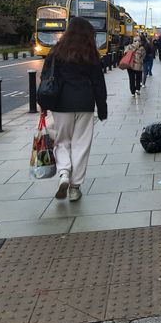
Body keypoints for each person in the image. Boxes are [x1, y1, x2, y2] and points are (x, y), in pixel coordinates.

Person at [42, 17, 107, 201]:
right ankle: (75, 187)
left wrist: (43, 103)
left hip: (61, 104)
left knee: (61, 141)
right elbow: (98, 83)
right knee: (81, 144)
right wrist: (102, 107)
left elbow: (46, 78)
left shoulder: (56, 51)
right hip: (85, 104)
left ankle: (63, 173)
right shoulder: (91, 53)